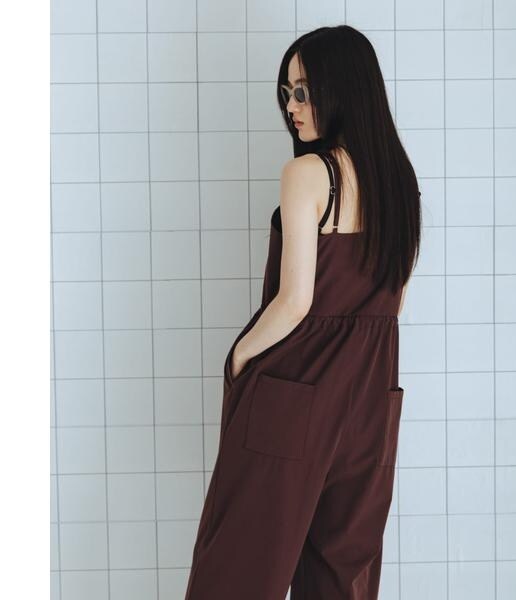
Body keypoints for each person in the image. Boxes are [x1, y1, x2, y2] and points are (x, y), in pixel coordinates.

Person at [185, 24, 422, 600]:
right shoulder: (400, 183)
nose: (291, 106)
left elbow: (296, 301)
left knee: (239, 570)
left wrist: (239, 357)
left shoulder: (309, 173)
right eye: (287, 92)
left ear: (344, 89)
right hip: (371, 399)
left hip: (293, 392)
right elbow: (396, 303)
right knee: (341, 575)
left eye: (304, 90)